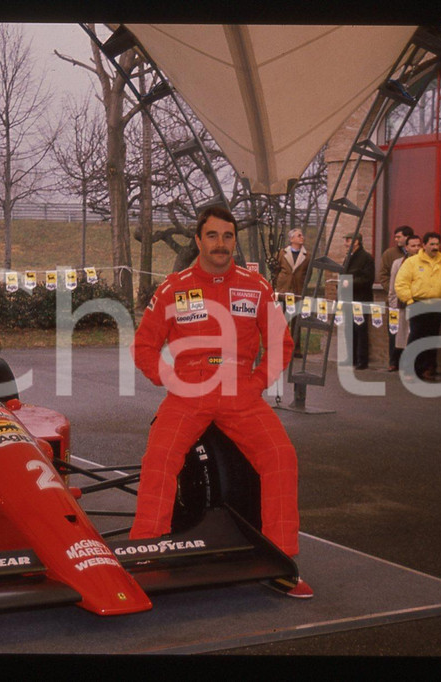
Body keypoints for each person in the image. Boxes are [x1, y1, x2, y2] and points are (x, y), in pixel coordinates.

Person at [130, 206, 312, 597]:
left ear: (234, 241)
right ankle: (146, 555)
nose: (221, 244)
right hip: (189, 391)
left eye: (228, 236)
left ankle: (281, 560)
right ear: (198, 240)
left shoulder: (255, 286)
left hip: (239, 390)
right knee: (159, 458)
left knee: (281, 457)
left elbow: (280, 343)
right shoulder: (173, 287)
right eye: (212, 235)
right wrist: (170, 379)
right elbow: (144, 346)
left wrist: (257, 382)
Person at [393, 231, 441, 380]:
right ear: (424, 245)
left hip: (437, 306)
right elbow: (401, 283)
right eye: (431, 244)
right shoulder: (412, 263)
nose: (435, 247)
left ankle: (427, 369)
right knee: (417, 337)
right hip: (417, 304)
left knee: (432, 338)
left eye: (437, 244)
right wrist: (410, 300)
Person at [326, 232, 375, 368]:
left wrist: (350, 282)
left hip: (360, 299)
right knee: (348, 329)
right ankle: (351, 358)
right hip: (347, 298)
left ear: (356, 242)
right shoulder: (349, 257)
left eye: (348, 241)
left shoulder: (366, 258)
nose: (345, 244)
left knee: (360, 329)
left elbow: (368, 279)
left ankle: (362, 360)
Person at [378, 225, 415, 371]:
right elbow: (383, 275)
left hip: (411, 300)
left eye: (398, 236)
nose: (396, 239)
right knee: (394, 331)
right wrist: (393, 290)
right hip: (395, 300)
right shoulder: (390, 254)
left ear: (407, 237)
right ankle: (393, 361)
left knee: (410, 332)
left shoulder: (417, 255)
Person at [388, 233, 422, 377]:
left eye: (419, 245)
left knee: (415, 335)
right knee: (401, 336)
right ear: (406, 248)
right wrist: (393, 302)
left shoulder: (424, 262)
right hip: (402, 304)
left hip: (418, 304)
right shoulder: (398, 263)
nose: (416, 248)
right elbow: (393, 284)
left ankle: (415, 365)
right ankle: (399, 363)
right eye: (413, 246)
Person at [274, 227, 310, 297]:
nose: (302, 237)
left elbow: (308, 273)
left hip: (298, 291)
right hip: (283, 290)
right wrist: (279, 283)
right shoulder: (282, 253)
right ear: (291, 239)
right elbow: (276, 270)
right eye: (299, 236)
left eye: (302, 235)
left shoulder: (307, 256)